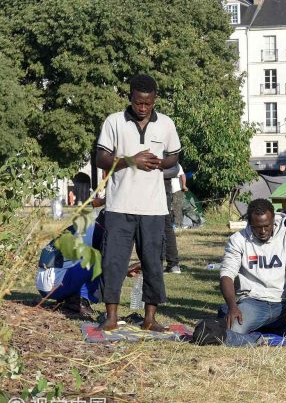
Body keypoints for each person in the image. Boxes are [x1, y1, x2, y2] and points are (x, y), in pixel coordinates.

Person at [96, 74, 181, 331]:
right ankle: (111, 316)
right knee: (114, 261)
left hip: (154, 208)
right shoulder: (114, 122)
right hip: (119, 206)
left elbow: (173, 158)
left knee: (152, 262)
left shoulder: (166, 124)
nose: (142, 108)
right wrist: (131, 160)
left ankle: (150, 318)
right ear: (130, 97)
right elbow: (101, 158)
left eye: (148, 103)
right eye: (138, 102)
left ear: (155, 100)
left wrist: (158, 162)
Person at [219, 199, 286, 347]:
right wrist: (232, 306)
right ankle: (234, 313)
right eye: (257, 227)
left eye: (266, 226)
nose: (262, 231)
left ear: (273, 220)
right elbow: (226, 275)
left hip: (283, 303)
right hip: (253, 301)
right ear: (250, 223)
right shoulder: (237, 239)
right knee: (234, 328)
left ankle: (261, 324)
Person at [37, 215, 106, 320]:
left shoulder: (85, 226)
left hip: (44, 283)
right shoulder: (97, 232)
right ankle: (82, 301)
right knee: (99, 263)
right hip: (54, 286)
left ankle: (71, 298)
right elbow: (109, 264)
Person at [162, 163, 184, 273]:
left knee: (165, 227)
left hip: (164, 193)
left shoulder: (170, 158)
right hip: (165, 192)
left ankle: (173, 264)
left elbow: (176, 170)